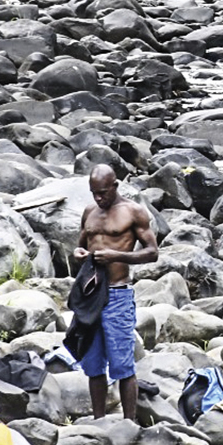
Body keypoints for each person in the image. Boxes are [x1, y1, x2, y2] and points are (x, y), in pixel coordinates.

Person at [73, 165, 158, 420]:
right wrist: (77, 255)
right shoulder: (89, 212)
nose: (99, 198)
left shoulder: (133, 212)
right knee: (92, 363)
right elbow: (79, 247)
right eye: (94, 193)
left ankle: (128, 423)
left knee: (122, 363)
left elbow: (152, 252)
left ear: (115, 186)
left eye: (103, 193)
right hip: (90, 295)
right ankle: (99, 422)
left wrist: (116, 256)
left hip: (117, 295)